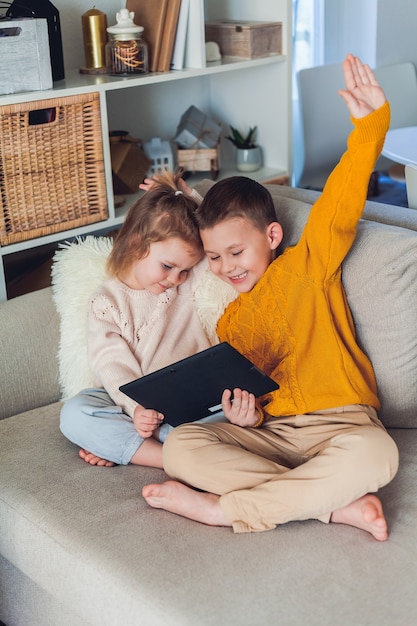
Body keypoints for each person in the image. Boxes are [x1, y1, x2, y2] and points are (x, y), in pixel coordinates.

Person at [142, 54, 399, 541]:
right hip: (272, 437)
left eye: (236, 251)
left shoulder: (308, 266)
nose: (226, 267)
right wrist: (248, 414)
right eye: (214, 258)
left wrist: (370, 127)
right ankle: (330, 506)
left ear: (274, 235)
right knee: (181, 447)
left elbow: (339, 203)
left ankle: (227, 511)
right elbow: (255, 402)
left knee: (379, 455)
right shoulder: (230, 323)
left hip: (342, 427)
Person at [60, 171, 215, 468]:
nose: (175, 278)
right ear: (135, 245)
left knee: (215, 421)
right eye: (167, 266)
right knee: (75, 412)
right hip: (126, 402)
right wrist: (136, 409)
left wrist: (188, 195)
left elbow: (217, 238)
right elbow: (110, 364)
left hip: (182, 401)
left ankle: (127, 447)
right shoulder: (106, 302)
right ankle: (163, 456)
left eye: (184, 270)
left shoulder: (186, 281)